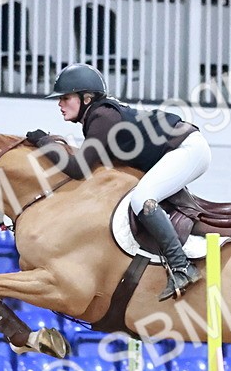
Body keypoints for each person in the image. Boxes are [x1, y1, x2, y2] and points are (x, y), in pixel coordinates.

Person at [24, 63, 208, 302]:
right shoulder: (100, 116)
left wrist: (44, 142)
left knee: (142, 199)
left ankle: (181, 266)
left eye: (66, 97)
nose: (59, 104)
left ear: (86, 98)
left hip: (187, 149)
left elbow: (78, 168)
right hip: (177, 149)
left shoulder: (102, 117)